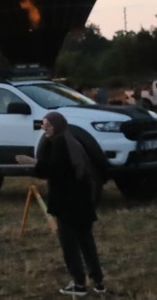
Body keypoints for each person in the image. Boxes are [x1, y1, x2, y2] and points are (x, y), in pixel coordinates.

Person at [36, 112, 106, 296]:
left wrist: (33, 163)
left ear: (57, 126)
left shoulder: (60, 143)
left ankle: (79, 284)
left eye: (48, 125)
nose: (45, 129)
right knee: (86, 242)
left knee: (70, 245)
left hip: (68, 203)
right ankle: (98, 282)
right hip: (82, 201)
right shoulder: (70, 141)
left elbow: (55, 170)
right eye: (43, 125)